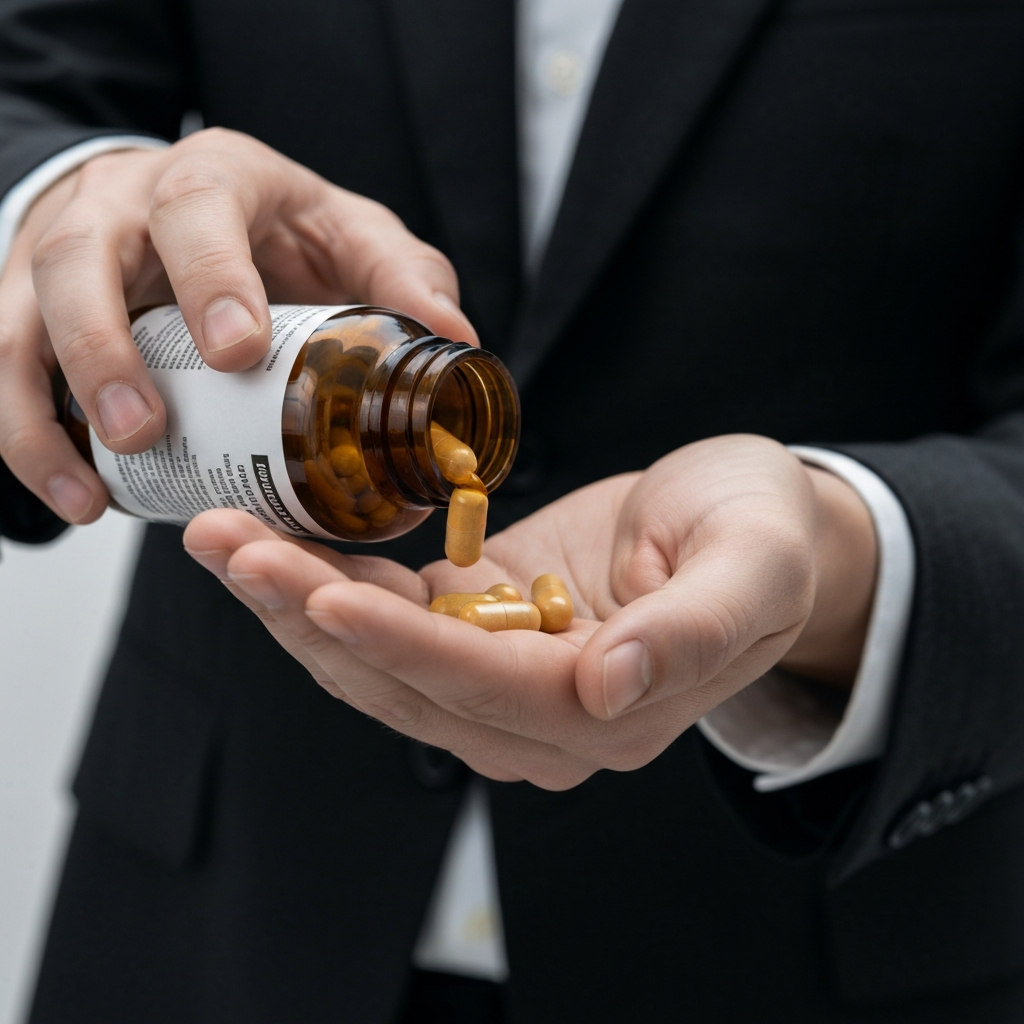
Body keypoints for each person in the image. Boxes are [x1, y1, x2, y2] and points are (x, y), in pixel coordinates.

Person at [1, 0, 1023, 1021]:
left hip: (789, 954)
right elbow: (28, 79)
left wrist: (835, 547)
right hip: (221, 920)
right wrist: (64, 201)